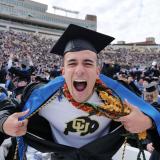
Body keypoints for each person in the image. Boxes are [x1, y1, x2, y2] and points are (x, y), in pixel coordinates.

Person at [0, 24, 160, 160]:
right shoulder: (40, 95)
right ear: (63, 71)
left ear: (98, 71)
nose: (80, 70)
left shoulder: (119, 97)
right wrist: (4, 123)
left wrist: (149, 122)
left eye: (88, 63)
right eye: (72, 63)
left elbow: (154, 112)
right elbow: (8, 110)